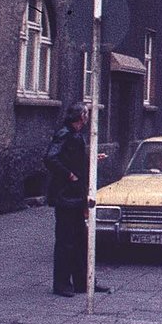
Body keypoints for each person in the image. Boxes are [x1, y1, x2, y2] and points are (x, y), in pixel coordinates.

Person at [43, 102, 109, 297]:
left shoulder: (75, 134)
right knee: (65, 242)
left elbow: (73, 158)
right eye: (86, 114)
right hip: (66, 196)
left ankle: (83, 281)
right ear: (80, 116)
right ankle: (61, 284)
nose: (88, 117)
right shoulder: (64, 133)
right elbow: (50, 158)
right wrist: (69, 175)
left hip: (75, 195)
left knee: (81, 241)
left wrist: (91, 159)